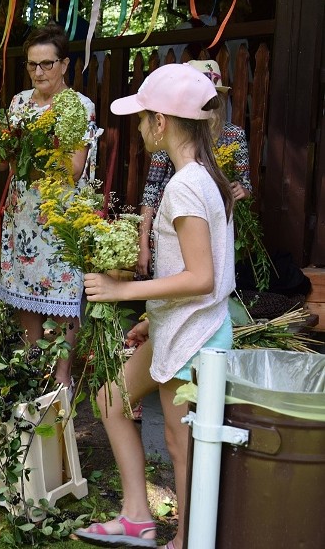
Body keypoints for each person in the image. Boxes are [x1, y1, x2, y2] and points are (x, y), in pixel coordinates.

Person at [75, 63, 235, 549]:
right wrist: (150, 317)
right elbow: (202, 272)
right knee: (110, 397)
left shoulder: (186, 185)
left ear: (162, 122)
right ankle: (137, 517)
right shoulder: (202, 174)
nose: (141, 125)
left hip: (195, 336)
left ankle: (187, 540)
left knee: (181, 445)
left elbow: (202, 277)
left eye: (143, 116)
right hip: (181, 324)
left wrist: (123, 292)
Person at [0, 24, 100, 389]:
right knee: (26, 290)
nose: (39, 72)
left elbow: (72, 170)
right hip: (23, 212)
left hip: (61, 216)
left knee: (64, 295)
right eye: (32, 65)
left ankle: (61, 378)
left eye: (47, 64)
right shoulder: (19, 103)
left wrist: (32, 150)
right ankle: (33, 368)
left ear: (65, 64)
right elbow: (4, 163)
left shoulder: (78, 106)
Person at [136, 60, 251, 278]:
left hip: (210, 225)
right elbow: (151, 190)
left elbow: (245, 183)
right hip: (170, 224)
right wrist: (143, 243)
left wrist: (241, 190)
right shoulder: (171, 139)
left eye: (212, 97)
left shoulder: (234, 136)